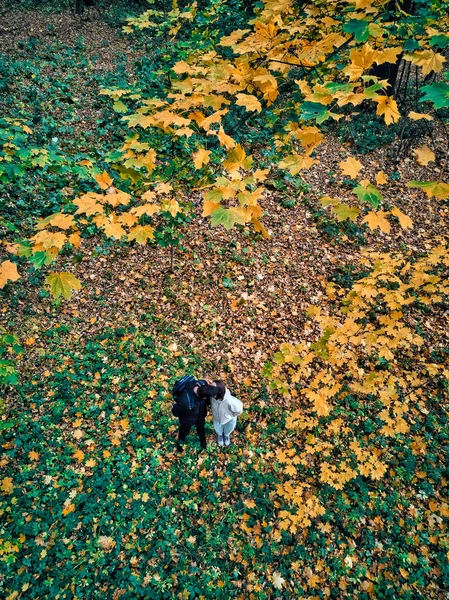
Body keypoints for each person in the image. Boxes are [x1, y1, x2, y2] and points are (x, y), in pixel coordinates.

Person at [174, 379, 218, 452]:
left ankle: (203, 442)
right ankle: (180, 444)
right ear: (203, 397)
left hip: (200, 416)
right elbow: (175, 412)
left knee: (201, 429)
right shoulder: (185, 400)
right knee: (184, 431)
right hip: (187, 420)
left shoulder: (203, 383)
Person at [210, 380, 243, 447]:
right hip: (217, 417)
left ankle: (226, 435)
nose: (210, 388)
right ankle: (220, 435)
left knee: (229, 428)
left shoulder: (229, 400)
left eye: (212, 387)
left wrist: (232, 415)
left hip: (229, 419)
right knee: (217, 427)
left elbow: (239, 409)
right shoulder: (211, 396)